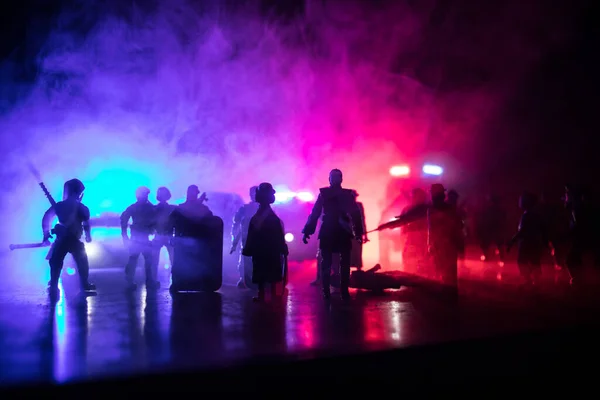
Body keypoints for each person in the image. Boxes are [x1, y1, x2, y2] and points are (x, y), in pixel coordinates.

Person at [302, 169, 364, 300]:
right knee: (336, 263)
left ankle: (333, 291)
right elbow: (315, 213)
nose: (335, 179)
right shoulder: (342, 195)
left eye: (336, 177)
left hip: (332, 230)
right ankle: (336, 291)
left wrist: (308, 230)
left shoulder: (330, 194)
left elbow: (315, 214)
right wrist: (358, 232)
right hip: (337, 231)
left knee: (335, 263)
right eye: (334, 177)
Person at [42, 179, 96, 298]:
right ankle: (83, 284)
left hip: (63, 240)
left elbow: (47, 218)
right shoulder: (81, 207)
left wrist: (46, 233)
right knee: (81, 262)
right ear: (77, 192)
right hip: (72, 240)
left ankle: (54, 285)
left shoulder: (60, 206)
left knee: (56, 262)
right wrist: (88, 235)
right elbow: (86, 222)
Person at [242, 183, 288, 302]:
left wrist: (248, 248)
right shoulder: (271, 216)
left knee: (261, 269)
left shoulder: (258, 216)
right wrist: (282, 247)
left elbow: (252, 233)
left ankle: (262, 294)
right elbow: (279, 234)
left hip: (261, 248)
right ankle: (271, 294)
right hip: (271, 249)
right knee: (271, 270)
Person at [507, 191, 551, 286]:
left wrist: (512, 241)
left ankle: (528, 280)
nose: (519, 202)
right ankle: (536, 281)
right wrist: (545, 241)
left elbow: (522, 231)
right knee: (535, 261)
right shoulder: (536, 215)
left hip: (526, 243)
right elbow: (543, 229)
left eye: (521, 200)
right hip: (536, 242)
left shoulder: (526, 216)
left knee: (521, 261)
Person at [427, 183, 462, 296]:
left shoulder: (447, 210)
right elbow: (431, 230)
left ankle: (449, 294)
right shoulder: (433, 210)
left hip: (447, 245)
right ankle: (446, 294)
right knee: (442, 271)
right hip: (442, 246)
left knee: (448, 272)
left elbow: (456, 227)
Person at [121, 186, 158, 291]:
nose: (146, 197)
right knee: (142, 260)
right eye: (145, 194)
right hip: (141, 237)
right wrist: (125, 235)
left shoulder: (137, 207)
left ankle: (132, 281)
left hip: (140, 237)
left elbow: (123, 220)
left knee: (138, 259)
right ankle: (145, 281)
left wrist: (125, 235)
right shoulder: (142, 207)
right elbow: (123, 219)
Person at [230, 186, 259, 288]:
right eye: (252, 193)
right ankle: (244, 279)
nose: (254, 195)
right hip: (246, 239)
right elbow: (237, 224)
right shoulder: (245, 209)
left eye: (255, 193)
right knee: (244, 261)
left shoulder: (263, 209)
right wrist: (234, 240)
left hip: (260, 239)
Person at [152, 187, 176, 281]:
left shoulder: (156, 208)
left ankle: (154, 280)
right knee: (156, 260)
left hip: (165, 235)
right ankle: (175, 279)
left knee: (172, 259)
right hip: (162, 235)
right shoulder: (172, 208)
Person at [350, 190, 368, 269]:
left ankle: (358, 269)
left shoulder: (359, 205)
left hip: (357, 233)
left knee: (357, 251)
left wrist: (365, 234)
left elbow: (362, 219)